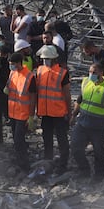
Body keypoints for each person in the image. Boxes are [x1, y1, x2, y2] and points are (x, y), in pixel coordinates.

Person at [71, 59, 104, 182]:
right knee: (75, 147)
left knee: (99, 152)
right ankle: (84, 170)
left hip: (98, 127)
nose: (91, 74)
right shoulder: (86, 82)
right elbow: (79, 100)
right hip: (83, 124)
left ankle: (98, 175)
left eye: (94, 72)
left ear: (101, 73)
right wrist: (73, 116)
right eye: (90, 71)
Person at [33, 44, 71, 177]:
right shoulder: (40, 71)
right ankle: (48, 162)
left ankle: (63, 164)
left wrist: (69, 113)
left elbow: (67, 95)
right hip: (45, 113)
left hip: (59, 113)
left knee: (62, 139)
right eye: (44, 59)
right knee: (47, 139)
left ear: (54, 59)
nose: (45, 61)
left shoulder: (62, 73)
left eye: (47, 59)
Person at [4, 50, 36, 173]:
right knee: (16, 139)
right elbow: (9, 87)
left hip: (23, 114)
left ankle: (24, 165)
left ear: (19, 63)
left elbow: (33, 97)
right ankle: (19, 161)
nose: (12, 66)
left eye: (13, 64)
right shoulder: (12, 73)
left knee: (19, 139)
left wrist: (31, 116)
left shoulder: (29, 76)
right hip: (12, 112)